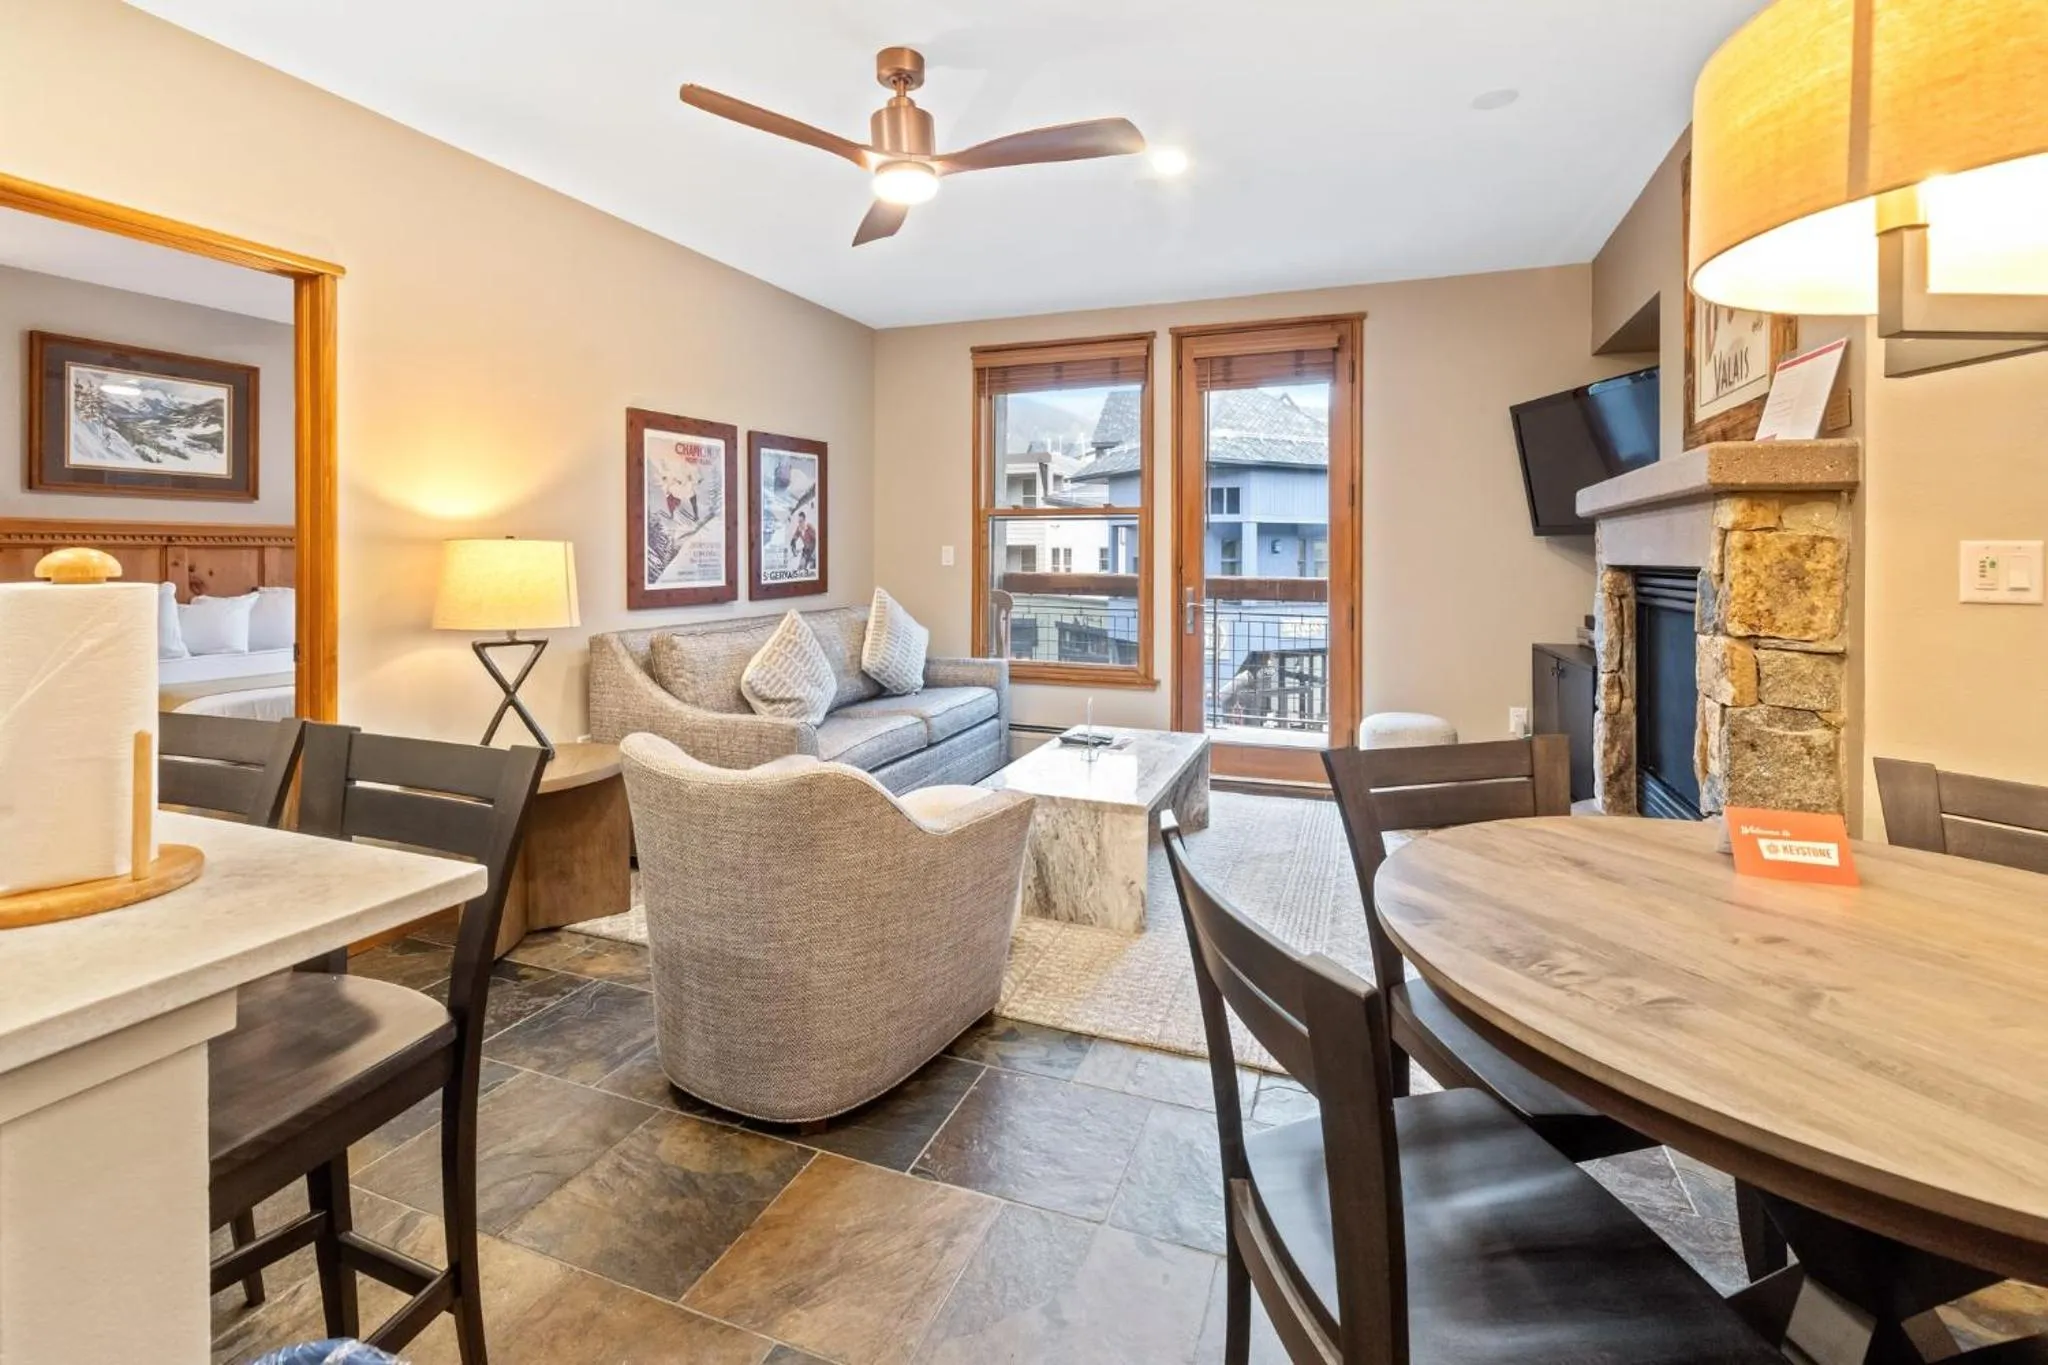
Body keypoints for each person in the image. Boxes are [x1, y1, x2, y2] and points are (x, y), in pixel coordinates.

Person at [787, 509, 818, 574]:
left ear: (804, 520)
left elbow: (817, 540)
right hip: (806, 551)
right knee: (800, 568)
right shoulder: (799, 529)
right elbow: (794, 539)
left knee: (813, 571)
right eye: (798, 521)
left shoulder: (810, 527)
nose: (799, 523)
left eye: (801, 521)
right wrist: (793, 547)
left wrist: (814, 553)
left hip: (813, 551)